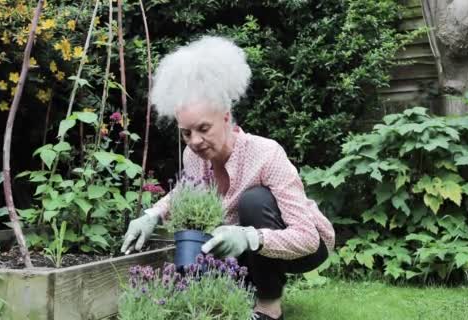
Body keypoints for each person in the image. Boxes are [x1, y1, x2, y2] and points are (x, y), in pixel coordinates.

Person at [120, 36, 335, 320]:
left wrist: (249, 237)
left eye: (203, 128)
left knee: (254, 201)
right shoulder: (194, 156)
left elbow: (307, 238)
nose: (194, 141)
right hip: (245, 245)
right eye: (186, 132)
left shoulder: (266, 153)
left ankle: (269, 308)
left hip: (306, 247)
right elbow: (187, 191)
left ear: (225, 117)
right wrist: (152, 215)